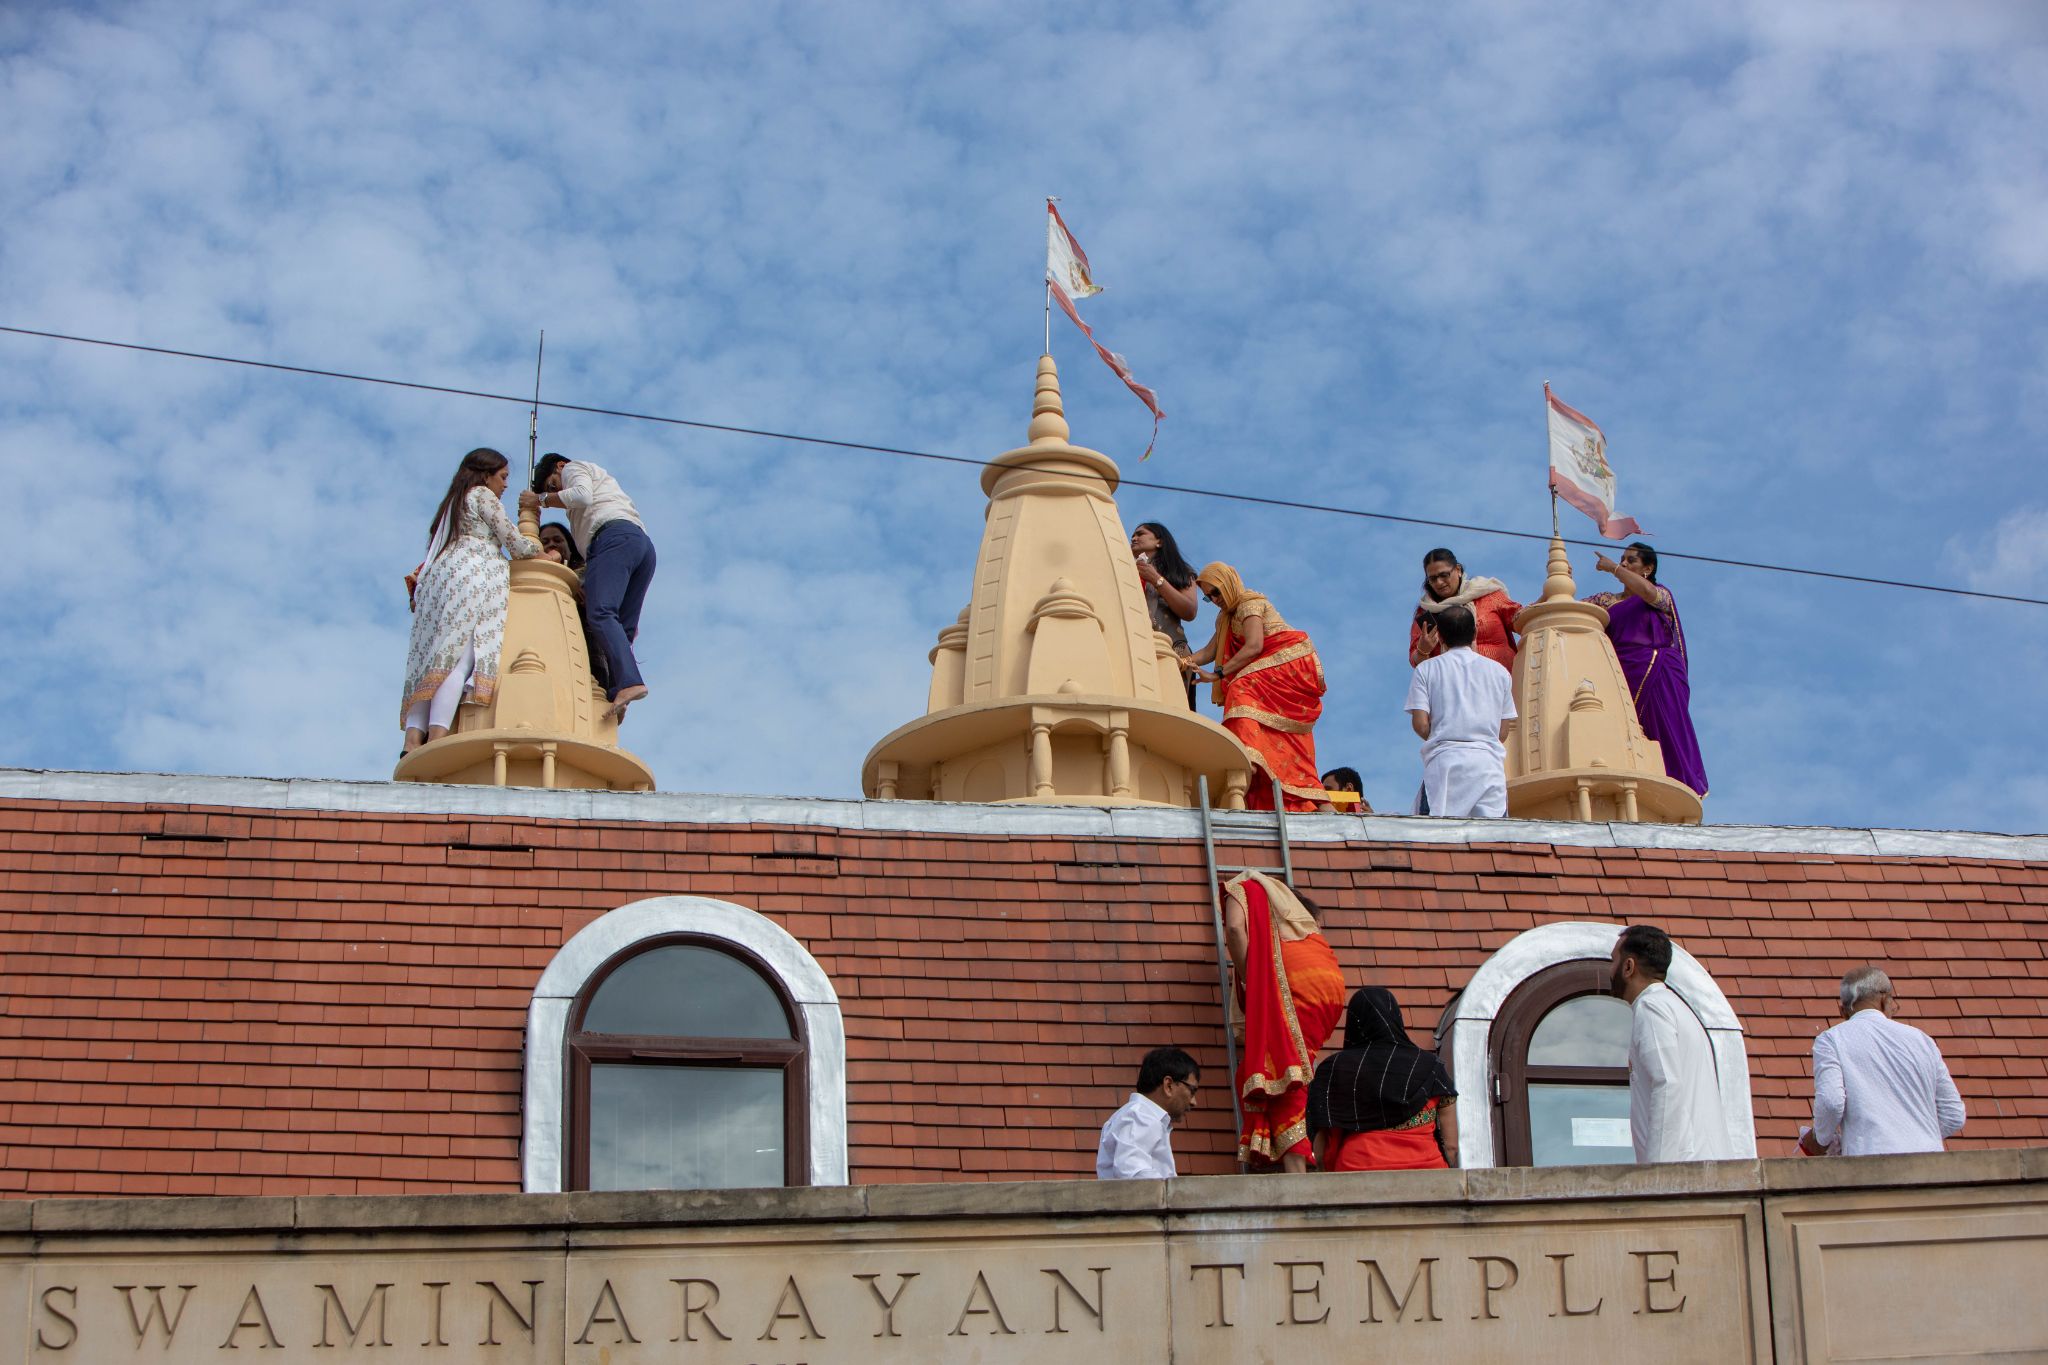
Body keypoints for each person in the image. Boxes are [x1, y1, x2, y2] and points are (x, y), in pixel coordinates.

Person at [401, 448, 545, 754]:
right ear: (486, 474)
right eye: (503, 477)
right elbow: (514, 542)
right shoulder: (482, 495)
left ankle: (412, 741)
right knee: (459, 658)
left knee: (433, 658)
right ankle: (437, 738)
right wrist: (541, 553)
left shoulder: (452, 504)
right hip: (472, 572)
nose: (505, 485)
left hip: (441, 577)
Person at [1222, 871, 1346, 1171]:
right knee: (1293, 1070)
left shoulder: (1241, 886)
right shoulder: (1296, 923)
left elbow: (1236, 930)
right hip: (1329, 988)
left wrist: (1255, 981)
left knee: (1279, 1075)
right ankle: (1304, 1156)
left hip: (1298, 987)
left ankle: (1298, 1171)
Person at [1183, 563, 1328, 811]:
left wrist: (1217, 674)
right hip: (1269, 668)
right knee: (1280, 735)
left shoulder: (1249, 603)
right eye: (1208, 598)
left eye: (1216, 592)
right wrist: (1182, 661)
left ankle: (1245, 756)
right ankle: (1311, 796)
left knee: (1240, 687)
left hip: (1290, 658)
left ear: (1228, 583)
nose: (1214, 600)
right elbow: (1210, 651)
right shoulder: (1225, 618)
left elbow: (1253, 646)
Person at [524, 453, 655, 723]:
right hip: (640, 544)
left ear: (559, 467)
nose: (556, 493)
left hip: (612, 538)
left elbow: (581, 495)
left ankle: (628, 681)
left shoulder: (574, 468)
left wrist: (539, 500)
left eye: (552, 485)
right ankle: (621, 688)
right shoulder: (589, 499)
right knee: (623, 627)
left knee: (601, 613)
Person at [1800, 967, 1965, 1157]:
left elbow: (1831, 1103)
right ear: (1885, 1000)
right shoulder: (1922, 1040)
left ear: (1842, 1011)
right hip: (1930, 1168)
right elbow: (1954, 1115)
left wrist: (1820, 1140)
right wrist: (1916, 1139)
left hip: (1871, 1167)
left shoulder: (1831, 1040)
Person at [1587, 542, 1707, 797]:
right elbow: (1572, 610)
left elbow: (1648, 594)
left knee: (1667, 732)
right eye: (1622, 559)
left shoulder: (1660, 594)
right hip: (1622, 675)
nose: (1625, 564)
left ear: (1648, 568)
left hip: (1658, 671)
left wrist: (1613, 569)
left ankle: (1679, 788)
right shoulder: (1606, 601)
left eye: (1631, 560)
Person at [1610, 924, 1738, 1163]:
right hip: (1701, 1170)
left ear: (1628, 967)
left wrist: (1659, 1175)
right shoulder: (1678, 1008)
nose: (1610, 970)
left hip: (1685, 1175)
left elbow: (1666, 1083)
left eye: (1613, 961)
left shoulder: (1652, 1007)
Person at [1308, 987, 1459, 1171]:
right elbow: (1451, 1146)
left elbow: (1322, 1148)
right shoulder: (1430, 1066)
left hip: (1356, 1175)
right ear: (1396, 1018)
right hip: (1427, 1174)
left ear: (1354, 1023)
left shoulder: (1333, 1070)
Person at [1404, 604, 1516, 819]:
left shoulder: (1426, 669)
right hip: (1488, 766)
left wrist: (1446, 734)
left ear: (1441, 638)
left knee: (1435, 840)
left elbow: (1420, 725)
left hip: (1444, 764)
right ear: (1475, 633)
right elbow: (1503, 731)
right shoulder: (1500, 672)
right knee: (1494, 841)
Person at [1096, 1046, 1201, 1179]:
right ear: (1168, 1085)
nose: (1193, 1101)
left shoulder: (1141, 1115)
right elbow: (1133, 1173)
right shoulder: (1140, 1116)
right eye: (1192, 1090)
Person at [1410, 547, 1520, 671]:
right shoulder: (1425, 612)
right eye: (1433, 579)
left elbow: (1520, 618)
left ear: (1458, 570)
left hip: (1502, 682)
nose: (1439, 582)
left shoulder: (1487, 594)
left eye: (1444, 575)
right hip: (1455, 685)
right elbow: (1416, 662)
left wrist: (1544, 600)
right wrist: (1422, 651)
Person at [1130, 522, 1201, 709]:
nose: (1134, 538)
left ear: (1159, 542)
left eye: (1140, 534)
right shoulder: (1125, 570)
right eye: (1132, 535)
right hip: (1132, 646)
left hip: (1171, 650)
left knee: (1172, 708)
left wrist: (1156, 580)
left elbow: (1189, 611)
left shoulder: (1181, 572)